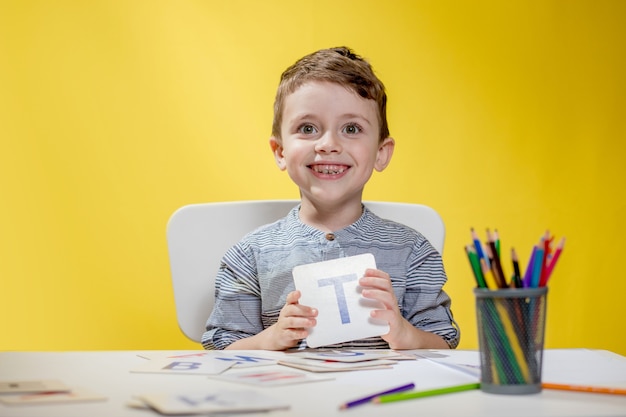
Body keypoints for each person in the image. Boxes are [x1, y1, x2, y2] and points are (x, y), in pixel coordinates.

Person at [202, 46, 460, 351]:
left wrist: (404, 333)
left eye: (351, 128)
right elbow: (221, 350)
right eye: (307, 128)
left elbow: (444, 342)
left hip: (380, 397)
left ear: (381, 152)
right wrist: (272, 338)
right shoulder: (248, 257)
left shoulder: (414, 252)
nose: (328, 144)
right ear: (280, 151)